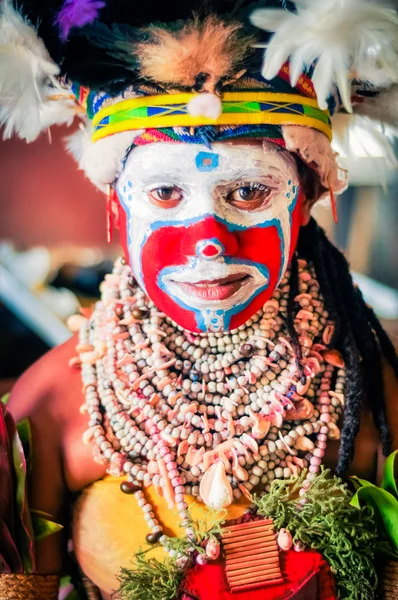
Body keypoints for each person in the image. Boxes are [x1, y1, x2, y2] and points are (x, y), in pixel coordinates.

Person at [1, 1, 397, 599]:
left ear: (307, 198)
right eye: (164, 191)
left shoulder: (376, 386)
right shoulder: (52, 408)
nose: (209, 241)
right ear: (118, 205)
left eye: (248, 190)